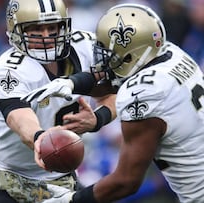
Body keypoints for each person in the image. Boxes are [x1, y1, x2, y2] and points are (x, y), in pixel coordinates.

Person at [38, 3, 204, 203]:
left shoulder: (143, 94)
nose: (104, 60)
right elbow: (114, 79)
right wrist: (72, 83)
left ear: (130, 53)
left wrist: (72, 200)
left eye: (110, 54)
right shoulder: (172, 54)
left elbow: (126, 181)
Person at [0, 0, 116, 202]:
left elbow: (111, 94)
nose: (46, 37)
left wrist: (98, 119)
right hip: (7, 177)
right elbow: (19, 117)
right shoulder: (8, 69)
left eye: (52, 28)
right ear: (16, 31)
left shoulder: (85, 46)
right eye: (36, 29)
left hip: (59, 177)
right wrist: (40, 138)